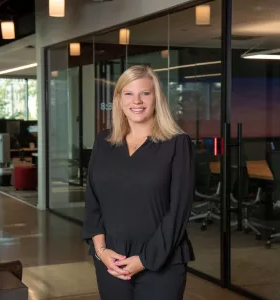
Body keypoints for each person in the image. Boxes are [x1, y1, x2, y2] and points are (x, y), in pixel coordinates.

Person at [82, 65, 195, 300]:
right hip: (111, 259)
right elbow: (93, 202)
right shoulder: (104, 141)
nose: (137, 101)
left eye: (145, 93)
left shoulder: (177, 144)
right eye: (129, 94)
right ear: (119, 99)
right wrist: (101, 251)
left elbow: (178, 211)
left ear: (157, 98)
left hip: (162, 260)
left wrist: (145, 259)